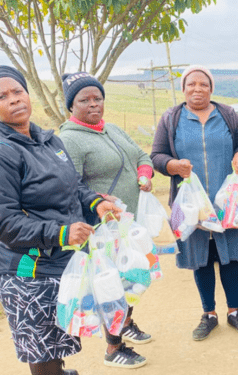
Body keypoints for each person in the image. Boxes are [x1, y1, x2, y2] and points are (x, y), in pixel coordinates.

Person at [0, 66, 121, 375]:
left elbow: (73, 186)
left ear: (28, 94)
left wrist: (96, 203)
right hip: (25, 269)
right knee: (42, 349)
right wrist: (62, 233)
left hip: (59, 260)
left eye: (18, 91)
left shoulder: (48, 140)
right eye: (2, 96)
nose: (13, 100)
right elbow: (4, 223)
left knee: (58, 337)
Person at [150, 65, 238, 341]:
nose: (197, 89)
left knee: (229, 257)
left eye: (203, 84)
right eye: (191, 85)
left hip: (227, 201)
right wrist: (172, 165)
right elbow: (156, 156)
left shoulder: (227, 114)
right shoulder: (171, 118)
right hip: (190, 205)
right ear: (183, 89)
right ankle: (209, 314)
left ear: (211, 88)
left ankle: (235, 311)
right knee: (202, 259)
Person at [58, 72, 152, 368]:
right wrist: (97, 201)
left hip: (127, 225)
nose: (93, 104)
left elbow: (140, 155)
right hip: (101, 228)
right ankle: (113, 350)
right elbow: (69, 185)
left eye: (97, 98)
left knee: (130, 278)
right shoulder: (69, 139)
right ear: (71, 106)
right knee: (110, 285)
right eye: (84, 100)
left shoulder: (111, 129)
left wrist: (144, 174)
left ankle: (124, 324)